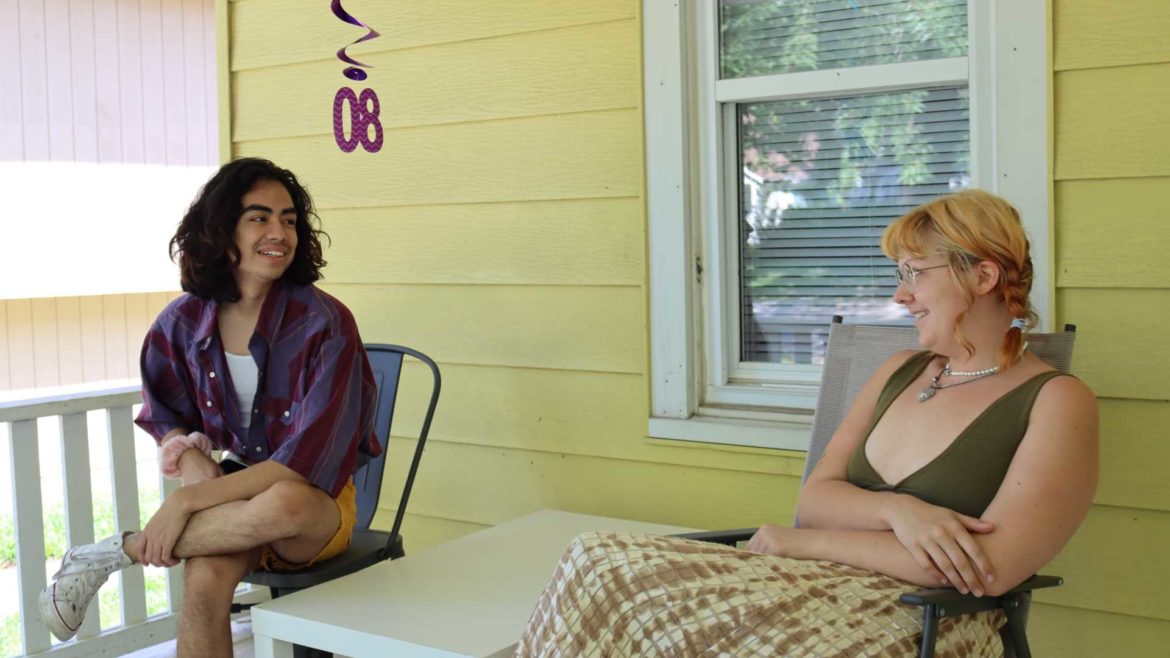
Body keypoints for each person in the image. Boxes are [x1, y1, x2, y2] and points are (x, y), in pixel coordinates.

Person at [516, 189, 1099, 656]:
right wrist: (901, 511)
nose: (901, 295)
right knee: (596, 558)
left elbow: (990, 569)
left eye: (916, 272)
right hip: (805, 587)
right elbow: (818, 497)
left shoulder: (1055, 401)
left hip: (927, 620)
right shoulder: (900, 369)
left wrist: (802, 543)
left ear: (984, 277)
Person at [39, 158, 380, 656]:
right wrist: (187, 451)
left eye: (289, 219)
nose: (279, 232)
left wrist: (186, 501)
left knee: (285, 499)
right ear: (223, 231)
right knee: (202, 587)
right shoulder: (182, 321)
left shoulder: (326, 324)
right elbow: (165, 410)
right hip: (230, 497)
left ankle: (117, 552)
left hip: (311, 511)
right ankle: (115, 554)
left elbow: (307, 465)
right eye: (258, 217)